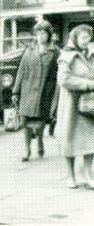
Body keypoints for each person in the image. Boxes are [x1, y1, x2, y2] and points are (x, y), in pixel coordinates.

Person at [11, 20, 60, 161]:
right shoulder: (29, 50)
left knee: (40, 121)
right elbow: (21, 71)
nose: (41, 36)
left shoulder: (55, 52)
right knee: (25, 122)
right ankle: (26, 150)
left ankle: (40, 140)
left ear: (49, 35)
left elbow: (59, 73)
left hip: (45, 93)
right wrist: (15, 91)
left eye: (44, 33)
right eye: (38, 33)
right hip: (27, 92)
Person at [56, 24, 94, 189]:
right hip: (71, 105)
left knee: (90, 141)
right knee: (69, 140)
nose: (87, 41)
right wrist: (88, 84)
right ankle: (70, 176)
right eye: (83, 37)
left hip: (89, 104)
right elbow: (63, 80)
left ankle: (87, 175)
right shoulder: (67, 55)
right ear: (75, 38)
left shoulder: (91, 54)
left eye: (88, 37)